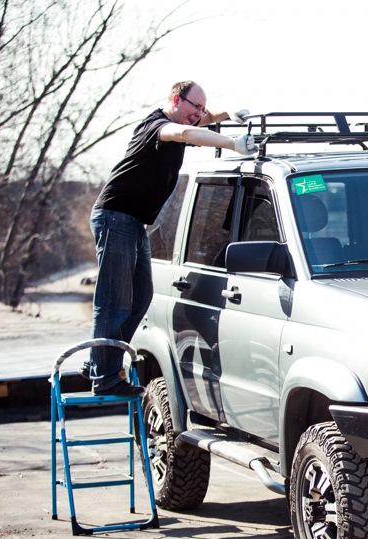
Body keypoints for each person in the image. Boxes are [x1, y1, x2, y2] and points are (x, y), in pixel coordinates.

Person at [85, 80, 255, 396]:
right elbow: (186, 133)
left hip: (133, 222)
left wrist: (227, 113)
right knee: (115, 300)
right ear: (176, 99)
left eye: (203, 108)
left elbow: (197, 124)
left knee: (140, 297)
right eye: (195, 107)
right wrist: (233, 143)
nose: (199, 114)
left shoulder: (183, 119)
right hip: (115, 216)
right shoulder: (158, 127)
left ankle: (99, 359)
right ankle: (104, 375)